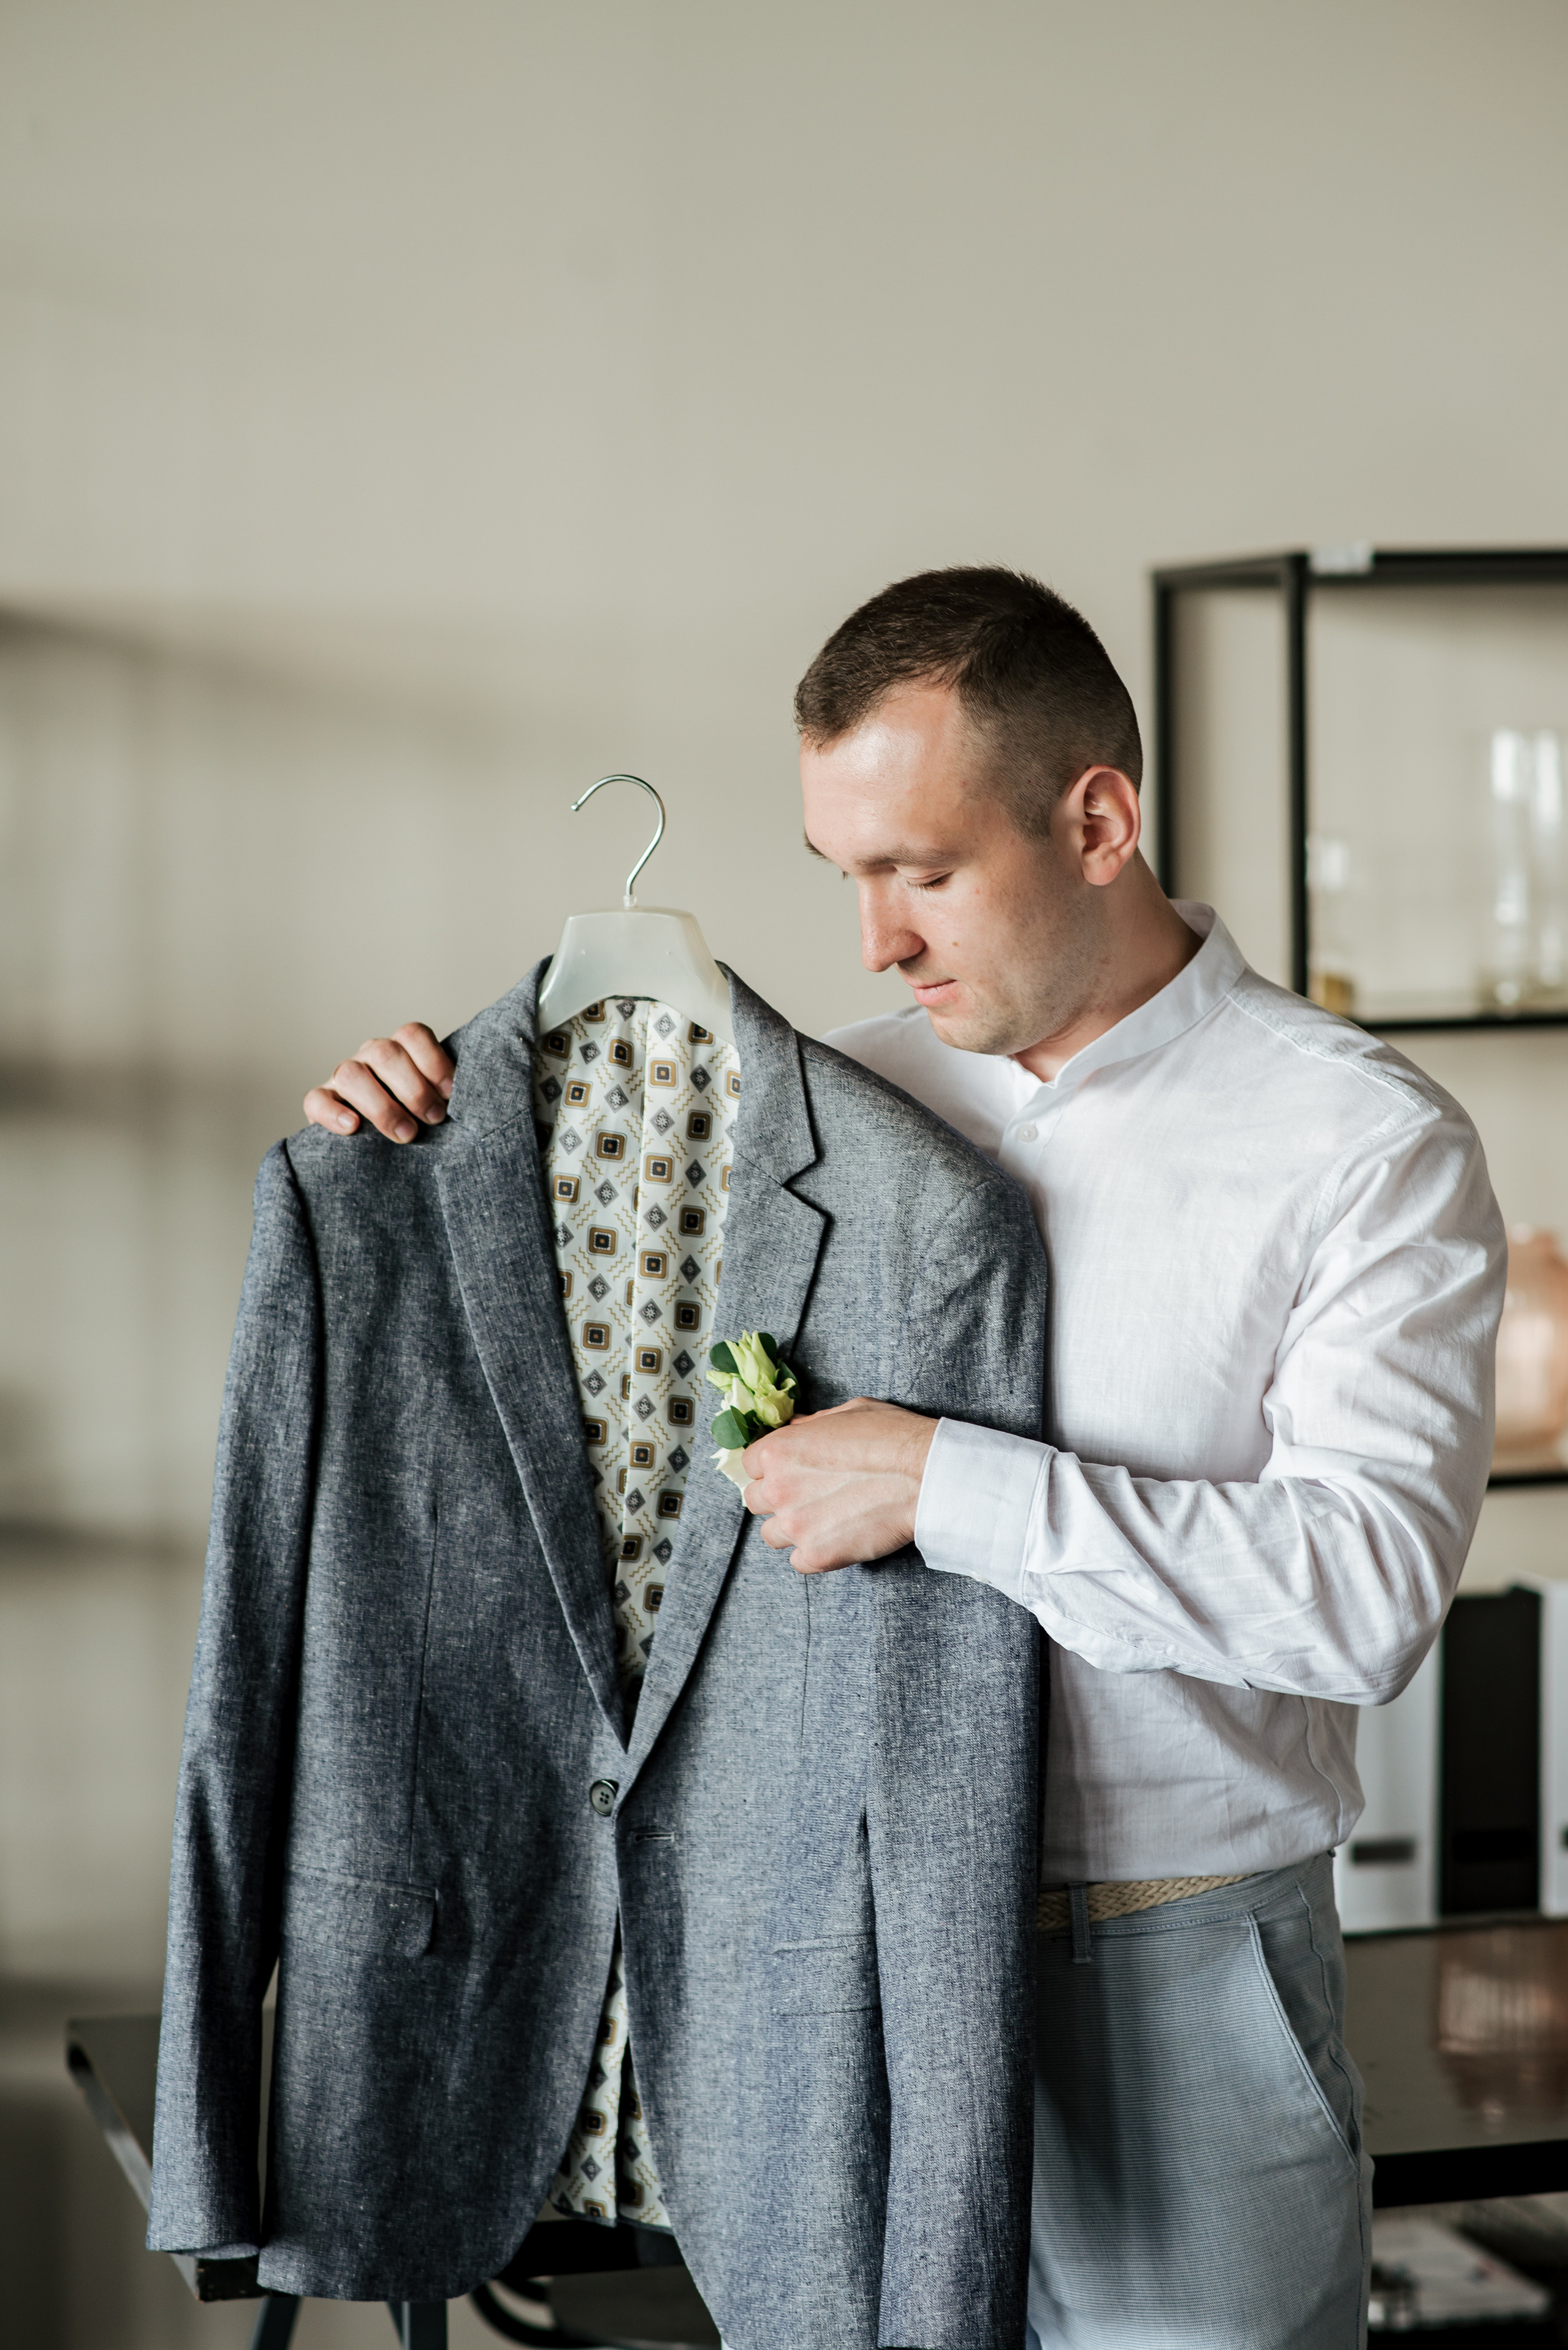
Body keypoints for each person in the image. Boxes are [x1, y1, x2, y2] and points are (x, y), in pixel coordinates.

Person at [303, 567, 1504, 2349]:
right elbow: (576, 1443)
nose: (874, 941)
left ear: (1098, 818)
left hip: (1174, 1971)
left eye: (923, 871)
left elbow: (1364, 1598)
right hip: (831, 1956)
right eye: (843, 876)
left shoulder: (1361, 1145)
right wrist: (406, 1141)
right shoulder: (806, 1117)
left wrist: (944, 1481)